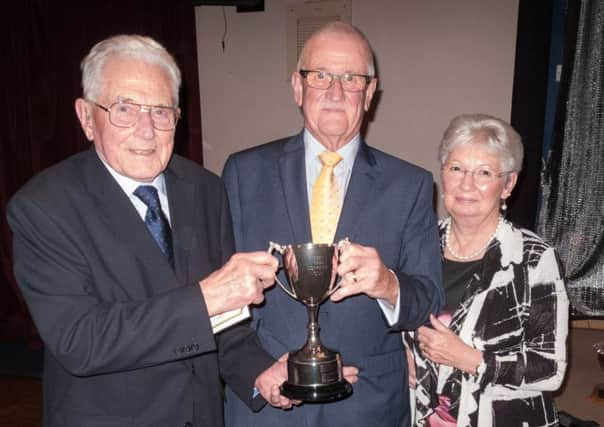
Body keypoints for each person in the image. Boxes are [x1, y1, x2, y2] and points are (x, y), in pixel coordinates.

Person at [7, 34, 290, 427]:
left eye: (160, 111)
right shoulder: (45, 207)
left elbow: (225, 325)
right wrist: (205, 298)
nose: (146, 130)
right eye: (124, 108)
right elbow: (80, 341)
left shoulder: (205, 190)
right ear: (87, 117)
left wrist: (260, 371)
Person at [222, 22, 444, 427]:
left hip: (366, 406)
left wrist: (389, 285)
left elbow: (428, 300)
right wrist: (256, 369)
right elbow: (218, 296)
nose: (335, 91)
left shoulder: (410, 185)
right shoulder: (243, 173)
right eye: (320, 75)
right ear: (297, 86)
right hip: (268, 409)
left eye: (351, 78)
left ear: (370, 92)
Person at [409, 114, 568, 426]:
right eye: (456, 168)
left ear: (508, 184)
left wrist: (470, 360)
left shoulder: (533, 259)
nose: (467, 184)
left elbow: (550, 369)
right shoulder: (418, 246)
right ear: (443, 174)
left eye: (484, 172)